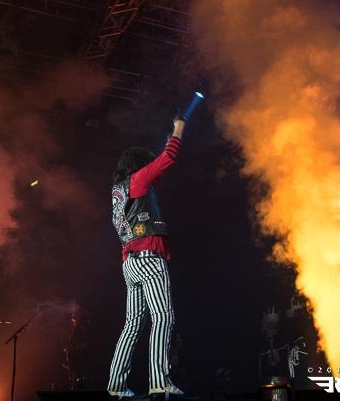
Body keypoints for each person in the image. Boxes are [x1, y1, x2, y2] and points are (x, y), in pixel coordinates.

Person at [107, 115, 186, 400]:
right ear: (139, 165)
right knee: (163, 316)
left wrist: (169, 137)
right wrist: (179, 129)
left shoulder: (119, 191)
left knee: (132, 325)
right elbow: (168, 159)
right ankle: (159, 381)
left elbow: (159, 171)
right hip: (149, 259)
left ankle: (116, 385)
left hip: (130, 263)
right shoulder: (138, 180)